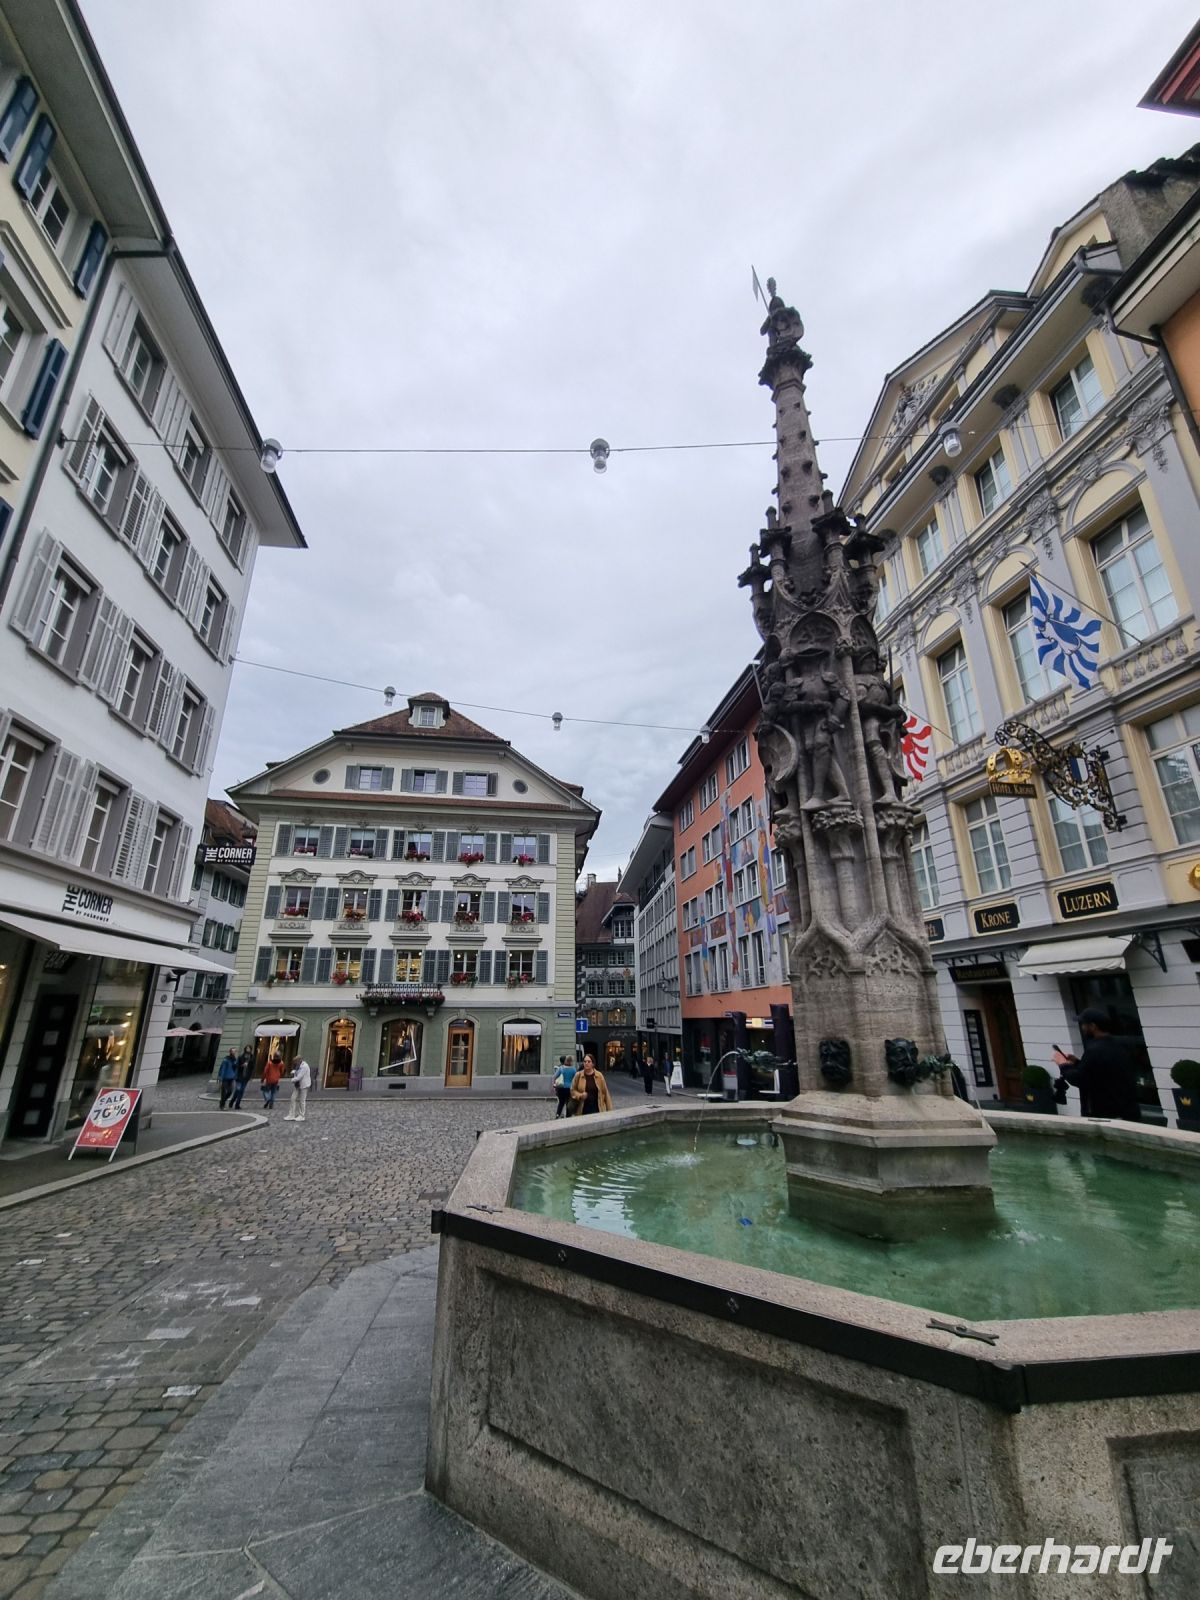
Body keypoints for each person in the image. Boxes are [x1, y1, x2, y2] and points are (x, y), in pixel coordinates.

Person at [1056, 1009, 1143, 1122]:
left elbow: (1080, 1079)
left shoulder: (1094, 1050)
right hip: (1129, 1109)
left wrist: (1063, 1064)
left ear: (1093, 1026)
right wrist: (1077, 1062)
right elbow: (1102, 1070)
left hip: (1106, 1114)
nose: (1082, 1027)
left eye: (1083, 1024)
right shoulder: (1121, 1045)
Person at [285, 1056, 312, 1122]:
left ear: (299, 1061)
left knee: (302, 1101)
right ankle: (291, 1115)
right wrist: (294, 1072)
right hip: (298, 1085)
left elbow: (299, 1076)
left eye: (295, 1062)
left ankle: (301, 1116)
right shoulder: (298, 1065)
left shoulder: (304, 1066)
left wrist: (292, 1080)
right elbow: (297, 1071)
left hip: (304, 1085)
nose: (295, 1063)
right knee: (293, 1098)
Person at [552, 1054, 576, 1119]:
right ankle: (568, 1116)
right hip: (569, 1089)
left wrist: (554, 1084)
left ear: (565, 1060)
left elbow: (554, 1077)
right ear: (571, 1061)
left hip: (561, 1088)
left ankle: (557, 1115)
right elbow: (576, 1079)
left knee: (561, 1102)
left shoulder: (561, 1068)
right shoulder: (573, 1069)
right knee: (568, 1103)